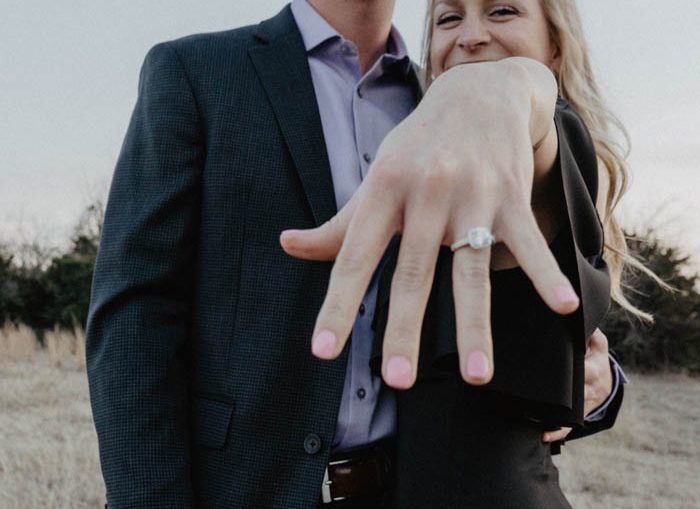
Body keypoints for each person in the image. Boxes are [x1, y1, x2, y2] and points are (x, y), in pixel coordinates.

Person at [86, 1, 624, 507]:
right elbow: (136, 312)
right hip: (249, 489)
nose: (472, 32)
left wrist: (597, 383)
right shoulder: (196, 71)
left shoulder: (449, 95)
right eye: (451, 15)